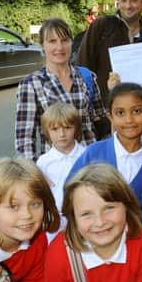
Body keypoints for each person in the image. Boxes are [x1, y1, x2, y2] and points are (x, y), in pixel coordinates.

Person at [15, 18, 106, 161]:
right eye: (52, 41)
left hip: (91, 163)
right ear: (42, 46)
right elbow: (25, 139)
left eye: (64, 40)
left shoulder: (87, 77)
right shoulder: (31, 84)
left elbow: (101, 122)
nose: (60, 47)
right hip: (56, 168)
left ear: (71, 43)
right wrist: (35, 177)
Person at [67, 82, 142, 209]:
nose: (129, 120)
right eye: (120, 113)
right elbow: (71, 190)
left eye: (136, 111)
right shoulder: (94, 153)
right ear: (110, 117)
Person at [76, 0, 142, 102]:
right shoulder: (102, 26)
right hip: (103, 111)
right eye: (123, 0)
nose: (128, 6)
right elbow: (83, 67)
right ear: (118, 3)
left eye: (134, 0)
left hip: (138, 112)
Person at [36, 102, 86, 242]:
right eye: (55, 129)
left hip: (82, 216)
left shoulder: (86, 155)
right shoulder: (43, 162)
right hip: (56, 221)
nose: (62, 134)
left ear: (76, 128)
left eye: (67, 128)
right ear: (47, 131)